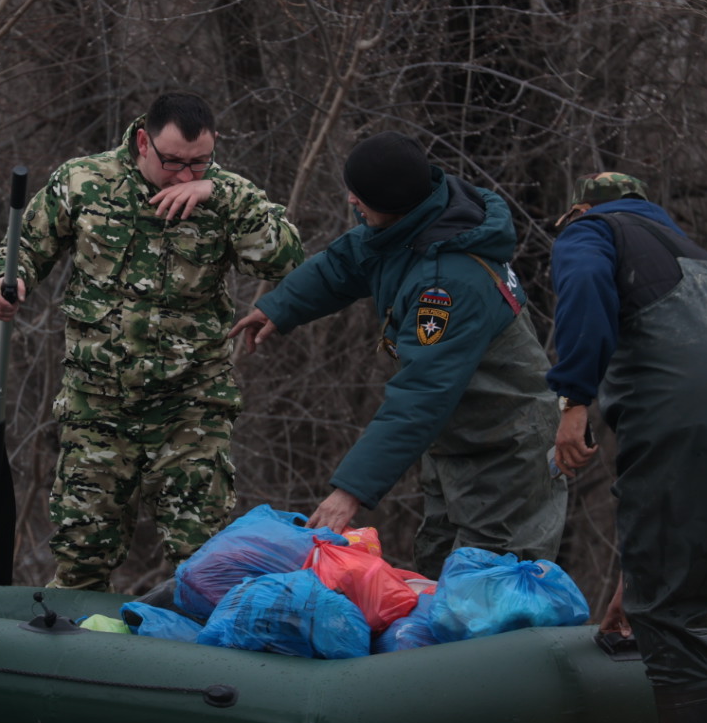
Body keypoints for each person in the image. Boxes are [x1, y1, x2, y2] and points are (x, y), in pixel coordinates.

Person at [0, 92, 303, 591]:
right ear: (142, 142)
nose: (185, 175)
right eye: (173, 162)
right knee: (81, 556)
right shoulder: (84, 181)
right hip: (99, 407)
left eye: (200, 161)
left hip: (191, 407)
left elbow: (287, 260)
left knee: (206, 560)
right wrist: (7, 282)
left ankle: (203, 664)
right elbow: (23, 247)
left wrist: (218, 193)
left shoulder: (225, 194)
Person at [229, 132, 564, 580]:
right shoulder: (413, 224)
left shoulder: (446, 285)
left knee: (491, 589)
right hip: (459, 438)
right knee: (437, 565)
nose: (351, 199)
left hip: (506, 449)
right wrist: (278, 307)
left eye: (360, 195)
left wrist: (350, 492)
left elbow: (421, 395)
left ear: (393, 201)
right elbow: (347, 262)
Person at [546, 172, 707, 723]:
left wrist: (574, 398)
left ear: (583, 207)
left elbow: (581, 283)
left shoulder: (592, 230)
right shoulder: (699, 258)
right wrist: (639, 581)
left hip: (682, 409)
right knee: (695, 593)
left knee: (673, 612)